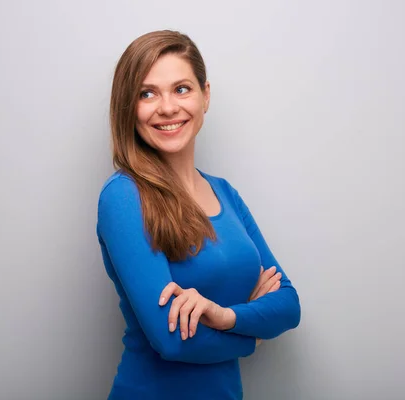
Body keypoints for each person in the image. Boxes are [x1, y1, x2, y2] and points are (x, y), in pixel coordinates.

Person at [96, 30, 301, 400]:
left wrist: (224, 317)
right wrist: (252, 336)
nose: (168, 107)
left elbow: (288, 304)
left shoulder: (224, 192)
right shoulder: (124, 197)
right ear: (129, 107)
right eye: (147, 93)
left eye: (181, 89)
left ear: (205, 96)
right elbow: (172, 341)